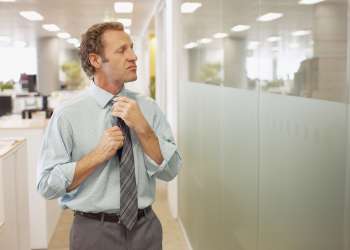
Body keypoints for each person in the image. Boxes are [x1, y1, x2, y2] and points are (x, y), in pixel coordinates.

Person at [36, 22, 182, 250]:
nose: (134, 56)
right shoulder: (67, 114)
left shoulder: (148, 108)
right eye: (122, 50)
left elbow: (171, 171)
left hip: (146, 230)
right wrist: (96, 156)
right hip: (93, 232)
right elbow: (46, 185)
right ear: (95, 60)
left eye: (132, 48)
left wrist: (143, 130)